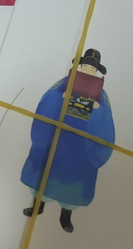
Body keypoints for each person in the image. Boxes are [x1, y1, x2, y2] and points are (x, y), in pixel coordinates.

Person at [20, 49, 115, 233]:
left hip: (80, 146)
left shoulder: (102, 95)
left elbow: (106, 116)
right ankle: (38, 206)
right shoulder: (63, 84)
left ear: (96, 72)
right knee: (46, 174)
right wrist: (59, 98)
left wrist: (98, 110)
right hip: (57, 138)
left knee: (72, 184)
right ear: (78, 66)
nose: (87, 70)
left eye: (91, 69)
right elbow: (48, 98)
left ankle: (65, 216)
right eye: (84, 66)